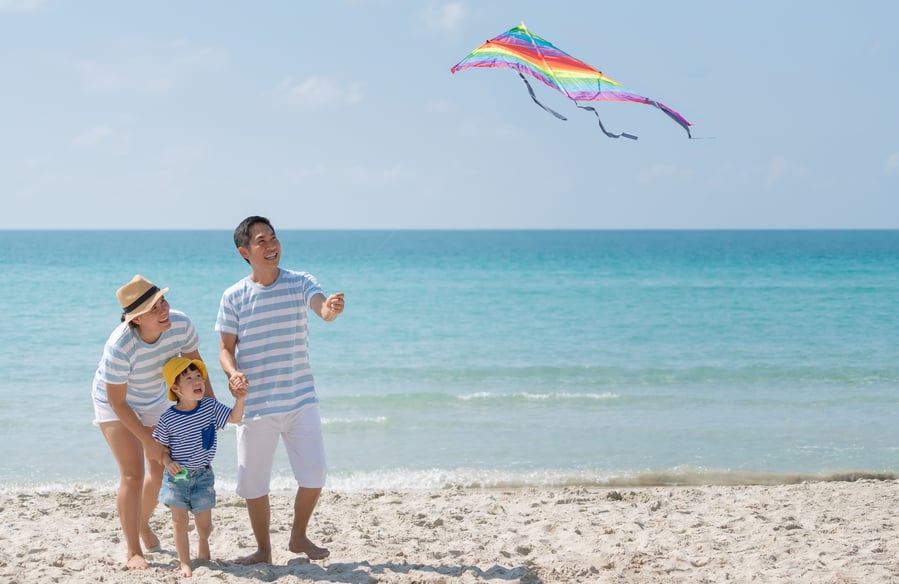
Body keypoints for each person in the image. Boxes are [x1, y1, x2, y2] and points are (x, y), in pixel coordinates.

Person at [216, 215, 345, 565]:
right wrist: (233, 374)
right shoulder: (233, 296)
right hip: (256, 404)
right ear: (245, 251)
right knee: (253, 483)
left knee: (315, 474)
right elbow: (226, 348)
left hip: (300, 398)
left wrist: (330, 310)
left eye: (273, 238)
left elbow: (321, 309)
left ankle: (298, 535)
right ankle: (263, 549)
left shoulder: (301, 282)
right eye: (262, 241)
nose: (272, 245)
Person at [91, 275, 216, 570]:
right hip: (115, 403)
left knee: (159, 470)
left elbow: (197, 366)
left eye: (163, 302)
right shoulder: (120, 346)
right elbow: (118, 402)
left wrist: (208, 411)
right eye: (154, 308)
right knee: (132, 474)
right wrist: (147, 440)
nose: (164, 311)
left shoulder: (180, 324)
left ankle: (142, 523)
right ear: (135, 320)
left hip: (155, 398)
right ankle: (134, 550)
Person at [152, 357, 246, 578]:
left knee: (204, 523)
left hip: (203, 475)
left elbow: (235, 417)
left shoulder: (210, 407)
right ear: (176, 388)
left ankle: (203, 542)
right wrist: (168, 462)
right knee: (179, 521)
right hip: (178, 478)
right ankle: (185, 562)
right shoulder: (168, 419)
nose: (197, 381)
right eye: (189, 378)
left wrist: (239, 398)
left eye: (198, 377)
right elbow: (160, 450)